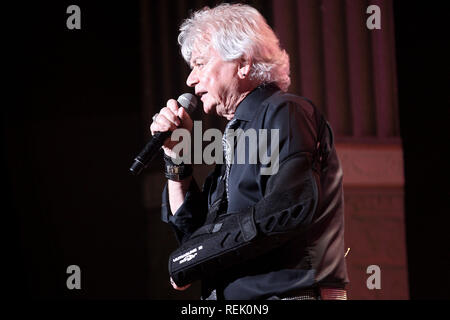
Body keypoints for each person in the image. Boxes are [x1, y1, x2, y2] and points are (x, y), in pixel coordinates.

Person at [150, 3, 348, 300]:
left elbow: (286, 209)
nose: (190, 79)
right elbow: (193, 238)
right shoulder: (235, 137)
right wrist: (176, 158)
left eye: (200, 64)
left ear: (242, 63)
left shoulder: (285, 111)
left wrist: (191, 259)